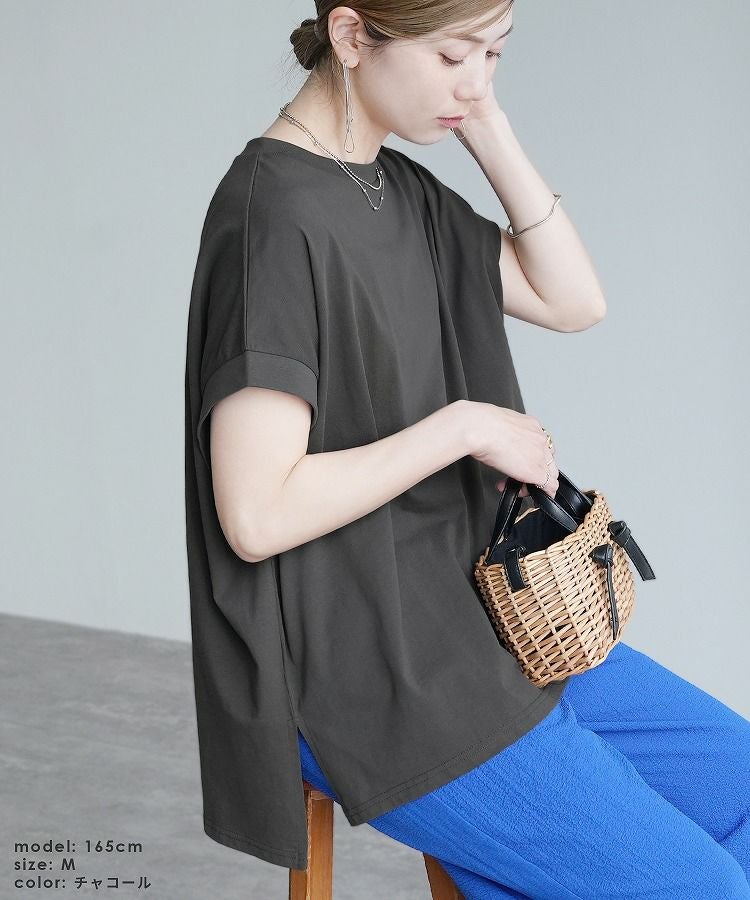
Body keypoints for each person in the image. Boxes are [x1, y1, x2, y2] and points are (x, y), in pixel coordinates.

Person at [183, 1, 750, 896]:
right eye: (454, 56)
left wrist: (485, 123)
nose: (476, 81)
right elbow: (257, 513)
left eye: (495, 55)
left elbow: (573, 300)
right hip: (371, 670)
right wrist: (463, 427)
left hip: (495, 625)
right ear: (351, 36)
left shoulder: (393, 187)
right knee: (700, 887)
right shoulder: (274, 216)